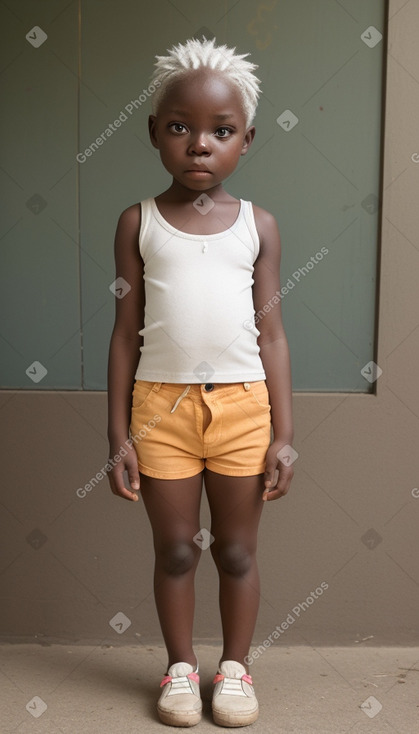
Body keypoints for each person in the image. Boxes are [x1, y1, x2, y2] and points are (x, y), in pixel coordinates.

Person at [107, 37, 294, 728]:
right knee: (178, 548)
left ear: (246, 139)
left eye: (219, 132)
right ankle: (180, 669)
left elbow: (270, 333)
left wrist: (284, 432)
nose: (198, 146)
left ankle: (235, 671)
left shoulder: (259, 226)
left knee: (238, 550)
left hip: (244, 408)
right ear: (154, 132)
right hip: (160, 410)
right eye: (180, 128)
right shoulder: (138, 223)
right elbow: (125, 333)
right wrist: (118, 432)